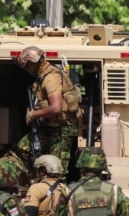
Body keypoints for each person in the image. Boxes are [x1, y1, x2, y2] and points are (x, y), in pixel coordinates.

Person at [13, 46, 81, 182]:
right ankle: (34, 182)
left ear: (34, 63)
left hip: (63, 129)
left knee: (56, 170)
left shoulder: (50, 78)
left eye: (27, 67)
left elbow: (56, 108)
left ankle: (57, 196)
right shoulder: (43, 76)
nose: (27, 70)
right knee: (23, 148)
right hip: (51, 126)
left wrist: (34, 114)